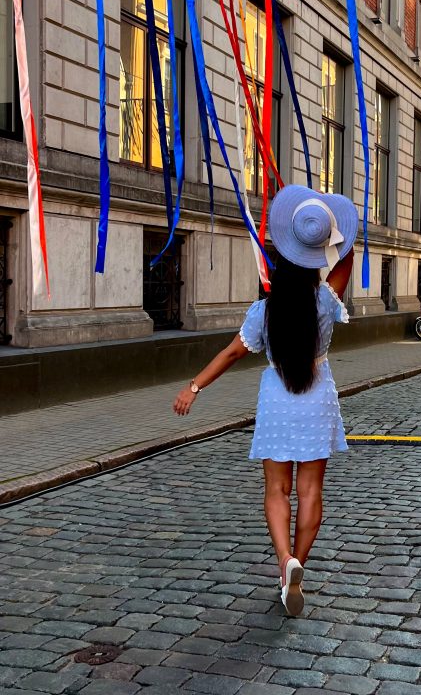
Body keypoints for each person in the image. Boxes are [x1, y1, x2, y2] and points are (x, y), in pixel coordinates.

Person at [173, 185, 358, 618]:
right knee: (311, 491)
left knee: (277, 489)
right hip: (317, 397)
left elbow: (232, 353)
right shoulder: (326, 300)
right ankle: (301, 565)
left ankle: (283, 565)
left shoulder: (264, 311)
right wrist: (326, 228)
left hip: (277, 399)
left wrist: (194, 387)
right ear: (313, 256)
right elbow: (345, 252)